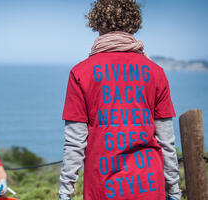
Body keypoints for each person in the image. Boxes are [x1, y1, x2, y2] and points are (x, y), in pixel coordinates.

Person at [58, 0, 181, 200]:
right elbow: (166, 141)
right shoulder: (156, 72)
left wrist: (65, 191)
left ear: (97, 23)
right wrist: (174, 190)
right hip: (149, 184)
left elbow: (75, 142)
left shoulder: (80, 72)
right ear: (133, 23)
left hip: (103, 187)